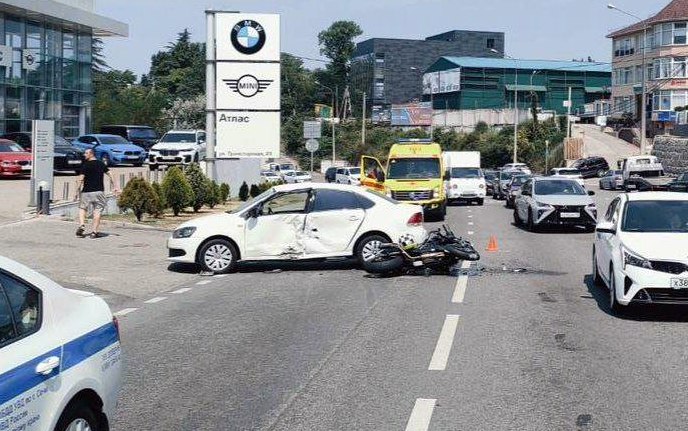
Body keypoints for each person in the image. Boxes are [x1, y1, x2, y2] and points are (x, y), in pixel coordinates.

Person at [75, 149, 118, 238]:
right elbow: (111, 174)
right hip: (99, 191)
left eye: (86, 153)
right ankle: (94, 232)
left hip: (86, 192)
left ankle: (82, 225)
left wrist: (76, 191)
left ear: (91, 154)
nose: (84, 155)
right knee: (97, 211)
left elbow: (80, 179)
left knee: (82, 208)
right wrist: (115, 186)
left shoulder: (85, 165)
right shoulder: (101, 164)